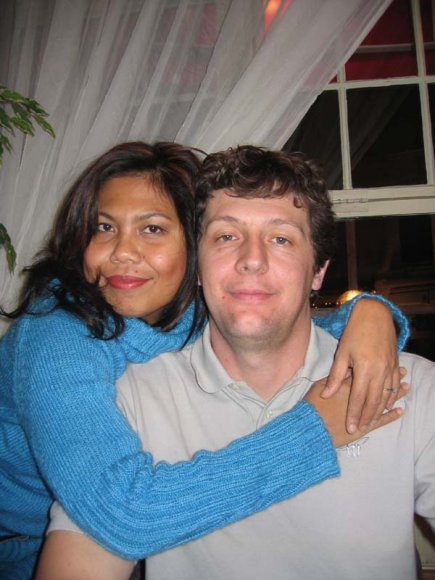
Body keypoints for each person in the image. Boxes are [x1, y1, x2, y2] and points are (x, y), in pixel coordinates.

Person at [0, 142, 406, 579]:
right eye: (103, 227)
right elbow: (124, 512)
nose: (122, 252)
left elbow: (273, 321)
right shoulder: (55, 337)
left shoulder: (180, 311)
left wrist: (371, 314)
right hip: (23, 550)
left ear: (193, 254)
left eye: (151, 229)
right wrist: (313, 432)